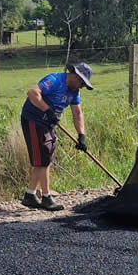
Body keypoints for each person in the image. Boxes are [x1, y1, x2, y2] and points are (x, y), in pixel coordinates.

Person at [20, 62, 94, 211]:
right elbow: (32, 93)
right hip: (33, 120)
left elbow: (77, 113)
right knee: (42, 158)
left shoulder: (74, 92)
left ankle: (30, 195)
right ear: (74, 75)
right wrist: (47, 110)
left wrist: (81, 135)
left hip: (49, 124)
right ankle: (46, 197)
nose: (81, 87)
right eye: (81, 83)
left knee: (45, 157)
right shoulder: (54, 80)